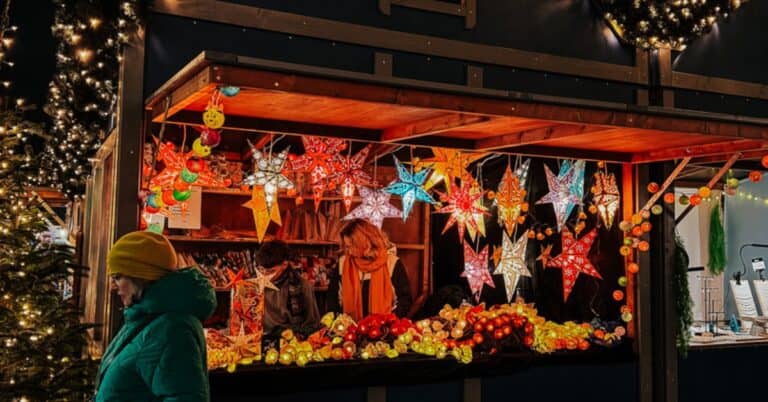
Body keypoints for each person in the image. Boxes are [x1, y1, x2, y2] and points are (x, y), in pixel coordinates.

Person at [94, 231, 216, 402]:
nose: (113, 287)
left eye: (117, 277)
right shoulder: (144, 318)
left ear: (141, 276)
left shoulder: (172, 329)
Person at [327, 219, 412, 320]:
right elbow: (333, 299)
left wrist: (389, 322)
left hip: (384, 330)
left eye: (351, 247)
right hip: (349, 329)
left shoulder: (392, 263)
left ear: (364, 243)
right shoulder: (343, 263)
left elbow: (405, 300)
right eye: (347, 247)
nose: (349, 252)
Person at [256, 240, 321, 339]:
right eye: (261, 270)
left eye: (271, 271)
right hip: (258, 338)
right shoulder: (253, 284)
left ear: (284, 264)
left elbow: (312, 324)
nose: (265, 275)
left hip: (290, 340)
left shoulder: (302, 285)